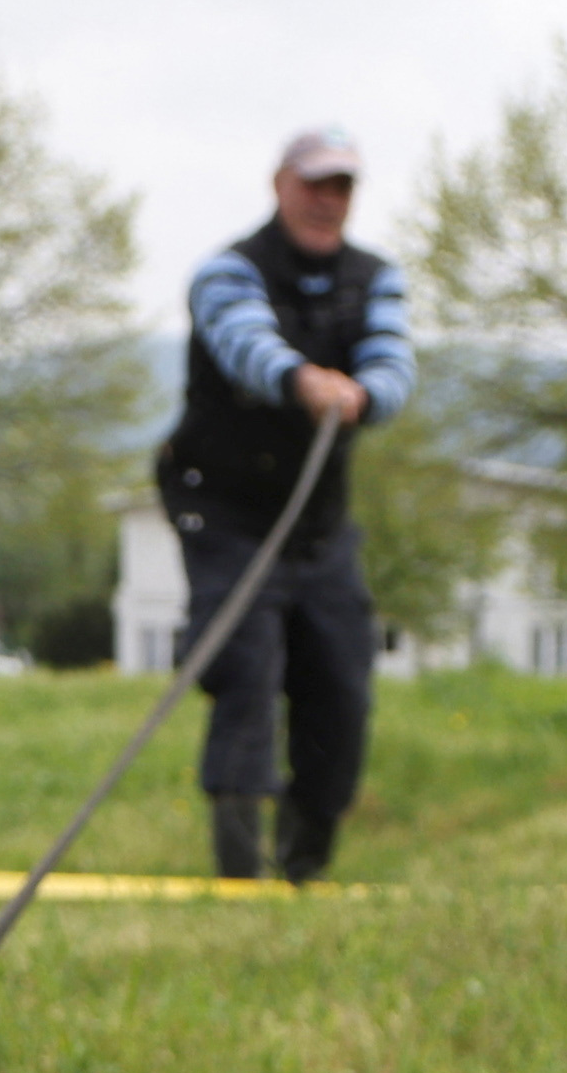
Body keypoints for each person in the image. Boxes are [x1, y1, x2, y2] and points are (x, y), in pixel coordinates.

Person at [157, 127, 412, 884]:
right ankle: (240, 877)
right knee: (246, 669)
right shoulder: (227, 273)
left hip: (319, 522)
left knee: (340, 681)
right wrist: (302, 381)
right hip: (224, 509)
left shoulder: (377, 278)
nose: (327, 201)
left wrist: (367, 394)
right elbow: (243, 343)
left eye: (342, 188)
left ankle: (305, 873)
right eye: (315, 184)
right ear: (281, 186)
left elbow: (395, 365)